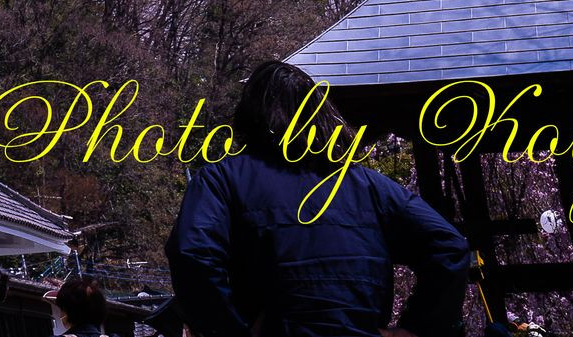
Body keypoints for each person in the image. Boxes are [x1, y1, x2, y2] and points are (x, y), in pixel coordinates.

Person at [169, 62, 476, 337]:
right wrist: (417, 327)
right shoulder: (369, 186)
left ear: (248, 116)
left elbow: (192, 253)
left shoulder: (222, 180)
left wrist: (230, 330)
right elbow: (449, 246)